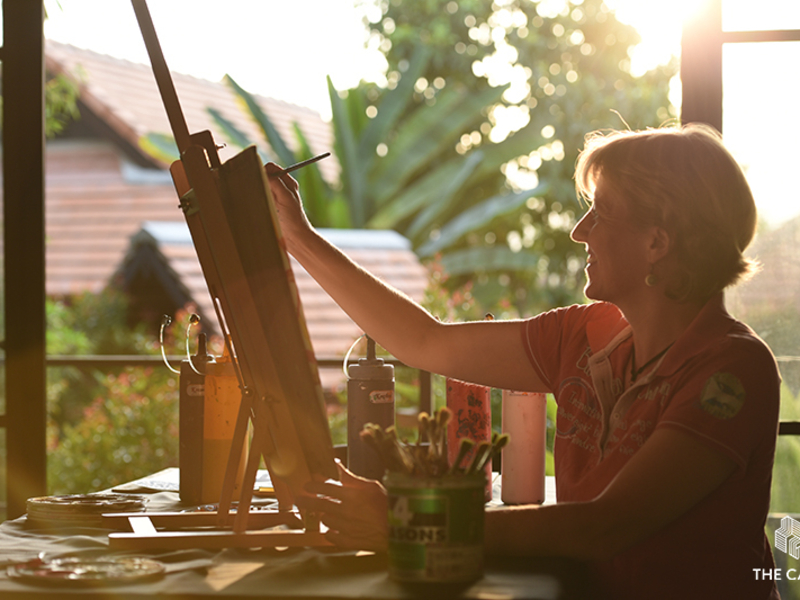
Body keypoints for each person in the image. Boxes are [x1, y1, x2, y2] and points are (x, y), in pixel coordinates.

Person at [266, 123, 781, 600]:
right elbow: (425, 342)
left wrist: (406, 520)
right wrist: (299, 239)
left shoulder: (732, 371)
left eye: (600, 212)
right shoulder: (581, 336)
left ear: (656, 242)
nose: (580, 231)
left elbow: (604, 526)